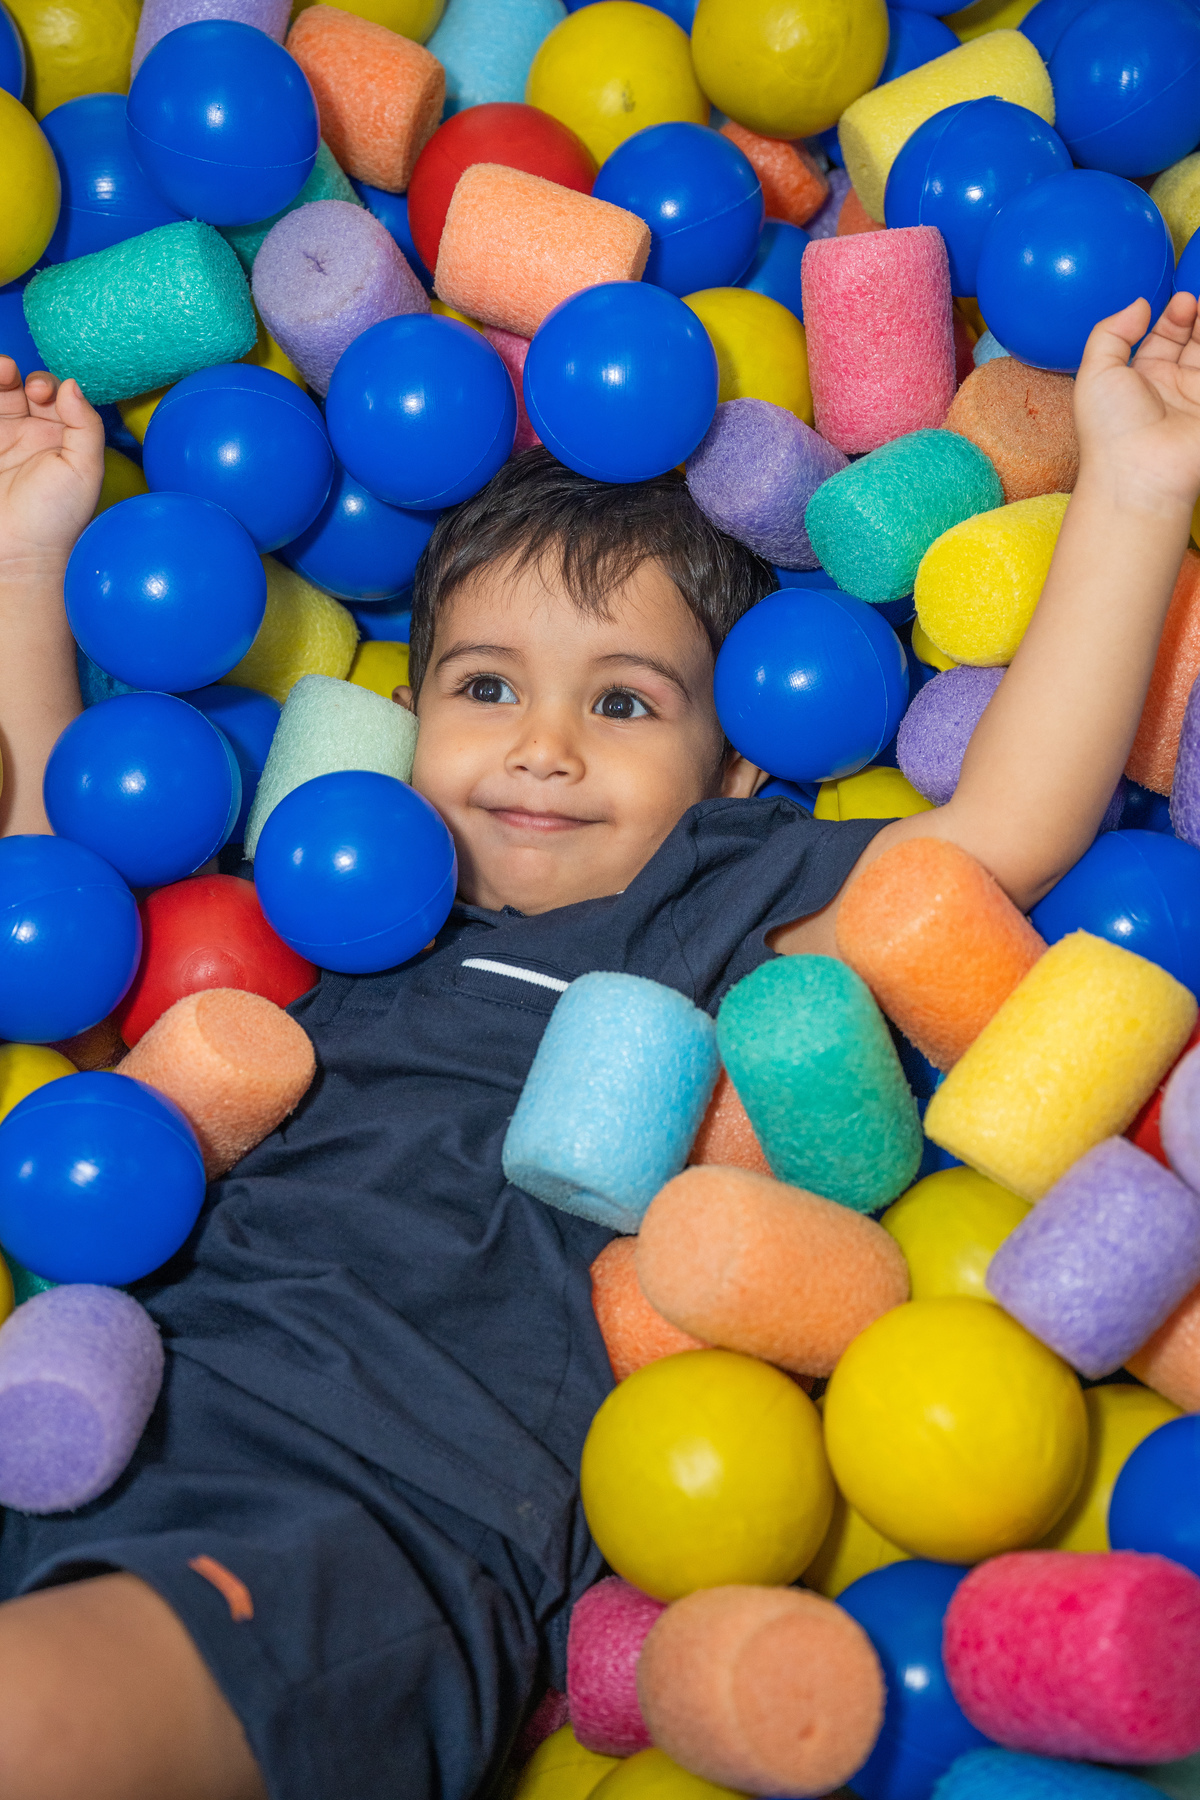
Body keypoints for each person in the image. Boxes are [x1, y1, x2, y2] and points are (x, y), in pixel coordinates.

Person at [0, 289, 1198, 1800]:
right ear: (406, 717)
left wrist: (1136, 488)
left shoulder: (708, 903)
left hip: (377, 1500)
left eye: (623, 702)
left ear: (736, 768)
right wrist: (26, 562)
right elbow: (59, 908)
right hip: (99, 1396)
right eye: (486, 686)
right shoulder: (321, 893)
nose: (544, 745)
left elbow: (1005, 834)